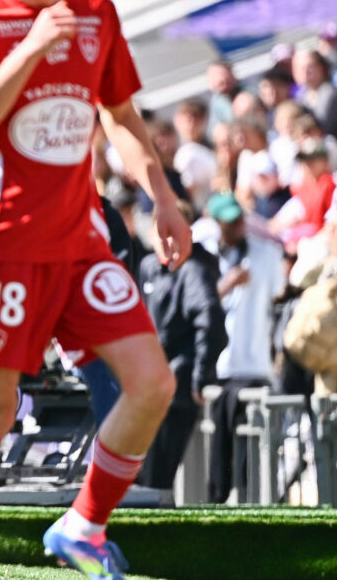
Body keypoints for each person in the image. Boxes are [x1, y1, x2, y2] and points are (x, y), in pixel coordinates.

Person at [0, 0, 192, 577]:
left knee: (154, 383)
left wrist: (162, 197)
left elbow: (122, 116)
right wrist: (29, 49)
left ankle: (83, 525)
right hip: (4, 245)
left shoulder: (98, 13)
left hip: (80, 242)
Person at [135, 202, 229, 490]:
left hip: (175, 386)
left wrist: (199, 375)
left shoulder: (195, 269)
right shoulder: (149, 267)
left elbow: (211, 322)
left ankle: (156, 532)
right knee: (138, 474)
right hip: (149, 385)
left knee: (156, 478)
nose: (167, 239)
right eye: (161, 231)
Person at [205, 192, 284, 503]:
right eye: (230, 221)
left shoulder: (266, 254)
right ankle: (219, 499)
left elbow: (277, 296)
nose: (238, 226)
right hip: (222, 366)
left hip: (256, 363)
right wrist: (227, 284)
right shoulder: (207, 256)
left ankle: (255, 500)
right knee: (220, 444)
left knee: (251, 449)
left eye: (240, 219)